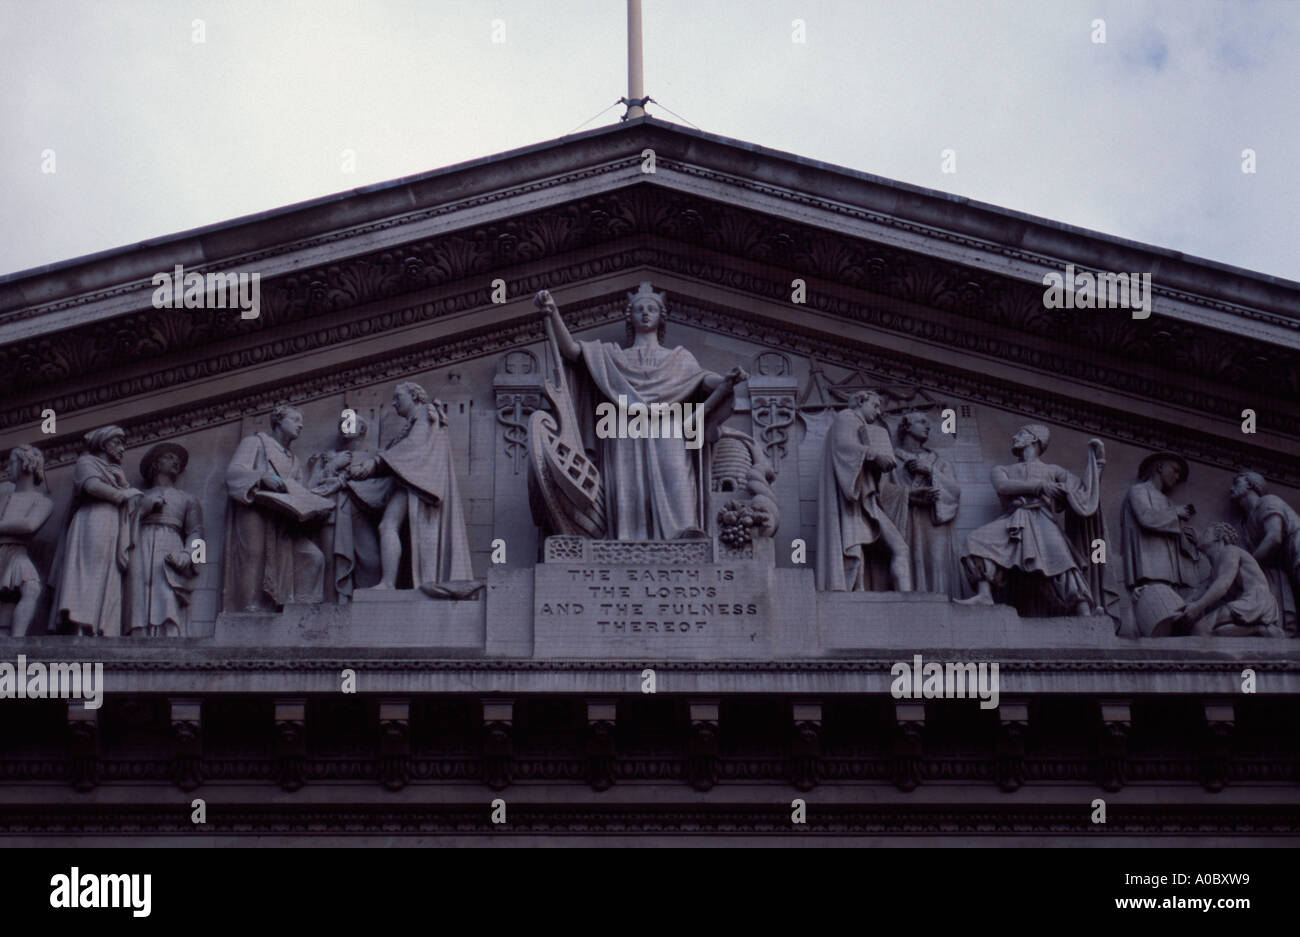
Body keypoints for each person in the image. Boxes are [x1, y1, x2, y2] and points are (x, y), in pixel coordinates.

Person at [537, 283, 746, 540]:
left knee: (676, 477)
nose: (645, 313)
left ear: (661, 317)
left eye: (651, 309)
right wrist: (552, 312)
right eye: (639, 309)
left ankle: (682, 534)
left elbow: (703, 381)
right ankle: (628, 539)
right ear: (630, 316)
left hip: (669, 426)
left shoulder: (679, 358)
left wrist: (728, 380)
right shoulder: (611, 356)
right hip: (624, 426)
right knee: (628, 487)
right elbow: (570, 351)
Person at [958, 424, 1108, 617]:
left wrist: (1097, 465)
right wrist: (1041, 487)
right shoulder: (1002, 469)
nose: (1014, 436)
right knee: (975, 541)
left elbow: (1082, 493)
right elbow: (1003, 486)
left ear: (1035, 439)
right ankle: (985, 594)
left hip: (1042, 520)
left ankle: (1084, 611)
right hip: (1014, 520)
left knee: (1062, 561)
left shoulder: (1054, 470)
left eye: (1021, 434)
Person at [347, 383, 474, 595]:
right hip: (410, 481)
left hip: (416, 483)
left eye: (398, 397)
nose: (394, 403)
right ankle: (388, 582)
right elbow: (397, 453)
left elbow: (412, 448)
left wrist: (374, 464)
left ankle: (388, 583)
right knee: (388, 525)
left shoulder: (425, 415)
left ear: (415, 396)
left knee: (388, 525)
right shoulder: (417, 421)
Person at [223, 405, 328, 612]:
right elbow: (233, 473)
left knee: (314, 557)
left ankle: (301, 608)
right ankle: (248, 609)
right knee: (254, 555)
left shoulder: (294, 460)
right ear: (279, 421)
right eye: (295, 420)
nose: (301, 425)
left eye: (302, 421)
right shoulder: (255, 442)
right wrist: (261, 478)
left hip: (282, 517)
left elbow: (300, 492)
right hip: (255, 506)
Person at [816, 390, 912, 592]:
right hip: (852, 499)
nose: (878, 413)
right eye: (875, 406)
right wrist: (874, 454)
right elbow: (843, 446)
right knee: (856, 546)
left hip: (866, 498)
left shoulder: (862, 425)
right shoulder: (847, 417)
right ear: (860, 401)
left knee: (899, 547)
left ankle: (907, 601)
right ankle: (856, 593)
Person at [51, 425, 142, 636]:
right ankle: (79, 623)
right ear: (103, 443)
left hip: (111, 523)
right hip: (92, 520)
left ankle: (97, 624)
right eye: (118, 443)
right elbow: (91, 486)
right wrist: (123, 494)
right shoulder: (86, 462)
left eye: (124, 444)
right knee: (88, 571)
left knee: (106, 572)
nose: (122, 449)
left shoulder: (117, 472)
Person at [129, 443, 203, 637]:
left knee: (167, 596)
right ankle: (138, 635)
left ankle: (169, 635)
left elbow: (197, 533)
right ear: (155, 464)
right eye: (169, 456)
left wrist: (188, 555)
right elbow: (121, 529)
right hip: (140, 544)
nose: (176, 461)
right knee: (138, 593)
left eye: (177, 459)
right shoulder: (137, 497)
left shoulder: (188, 499)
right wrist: (142, 510)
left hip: (171, 544)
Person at [308, 416, 381, 602]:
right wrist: (331, 467)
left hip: (362, 514)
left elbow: (380, 488)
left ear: (362, 428)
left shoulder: (374, 456)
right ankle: (332, 608)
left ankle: (369, 607)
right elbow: (310, 490)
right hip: (331, 517)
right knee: (331, 563)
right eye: (341, 423)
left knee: (371, 561)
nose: (344, 425)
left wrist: (343, 482)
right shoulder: (327, 457)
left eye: (350, 422)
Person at [890, 410, 960, 594]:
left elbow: (954, 492)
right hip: (903, 520)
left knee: (936, 564)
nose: (928, 426)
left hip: (934, 521)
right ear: (906, 426)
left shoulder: (939, 462)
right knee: (904, 561)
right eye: (921, 422)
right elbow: (879, 492)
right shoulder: (891, 460)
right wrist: (909, 495)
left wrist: (930, 471)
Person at [1179, 523, 1282, 637]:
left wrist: (1197, 607)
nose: (1200, 535)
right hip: (1247, 602)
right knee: (1204, 631)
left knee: (1200, 628)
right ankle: (1259, 629)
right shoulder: (1215, 568)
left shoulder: (1230, 551)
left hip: (1254, 601)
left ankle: (1259, 628)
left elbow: (1223, 584)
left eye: (1206, 532)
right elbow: (1201, 590)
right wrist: (1180, 609)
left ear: (1218, 537)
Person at [1230, 471, 1300, 636]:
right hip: (1288, 562)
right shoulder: (1245, 523)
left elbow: (1274, 537)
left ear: (1250, 484)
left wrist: (1248, 565)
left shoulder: (1267, 502)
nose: (1230, 488)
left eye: (1236, 483)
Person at [1119, 452, 1199, 595]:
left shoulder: (1167, 501)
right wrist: (1175, 513)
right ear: (1160, 467)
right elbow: (1146, 518)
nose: (1177, 477)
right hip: (1149, 568)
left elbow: (1175, 540)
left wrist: (1190, 540)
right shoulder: (1139, 490)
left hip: (1169, 572)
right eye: (1175, 470)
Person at [0, 445, 53, 636]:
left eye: (11, 463)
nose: (7, 468)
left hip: (17, 552)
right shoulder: (4, 494)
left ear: (26, 464)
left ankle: (16, 641)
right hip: (2, 550)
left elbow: (30, 525)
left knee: (31, 588)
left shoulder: (43, 501)